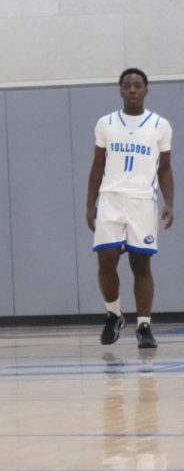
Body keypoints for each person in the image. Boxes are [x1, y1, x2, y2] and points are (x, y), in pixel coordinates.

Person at [86, 68, 174, 350]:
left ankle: (145, 326)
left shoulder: (160, 125)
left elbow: (166, 169)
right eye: (128, 86)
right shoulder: (106, 123)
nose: (133, 90)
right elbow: (97, 166)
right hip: (111, 199)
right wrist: (90, 204)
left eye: (138, 85)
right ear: (120, 90)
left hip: (142, 201)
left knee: (141, 263)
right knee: (106, 260)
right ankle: (113, 314)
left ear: (146, 90)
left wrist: (169, 203)